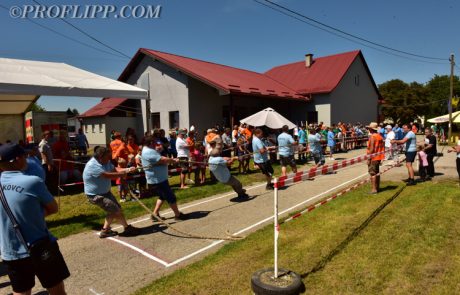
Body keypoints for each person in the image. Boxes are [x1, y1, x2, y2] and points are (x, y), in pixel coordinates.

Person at [0, 143, 70, 295]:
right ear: (17, 159)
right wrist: (32, 216)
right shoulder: (32, 181)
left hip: (10, 251)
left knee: (21, 291)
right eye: (25, 156)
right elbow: (53, 208)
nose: (27, 159)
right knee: (56, 290)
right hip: (39, 245)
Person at [83, 146, 142, 238]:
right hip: (95, 195)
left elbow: (114, 170)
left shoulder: (105, 161)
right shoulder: (92, 165)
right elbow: (107, 175)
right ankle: (127, 228)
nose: (109, 159)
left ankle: (105, 231)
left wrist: (127, 169)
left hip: (105, 192)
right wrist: (122, 173)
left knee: (114, 210)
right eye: (107, 157)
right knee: (116, 210)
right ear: (100, 157)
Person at [141, 136, 188, 221]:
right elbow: (162, 160)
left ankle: (155, 214)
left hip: (158, 179)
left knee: (162, 196)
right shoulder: (149, 151)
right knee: (170, 196)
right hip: (158, 180)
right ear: (151, 143)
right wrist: (173, 160)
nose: (156, 144)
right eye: (155, 142)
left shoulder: (147, 150)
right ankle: (178, 215)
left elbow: (159, 159)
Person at [366, 122, 385, 194]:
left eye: (369, 128)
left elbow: (371, 148)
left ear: (371, 129)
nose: (368, 129)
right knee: (377, 173)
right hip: (379, 156)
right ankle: (377, 187)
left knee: (372, 173)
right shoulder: (379, 136)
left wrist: (368, 158)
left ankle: (374, 189)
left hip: (373, 157)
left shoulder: (372, 136)